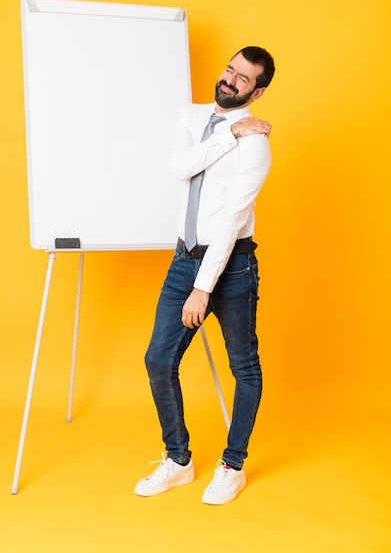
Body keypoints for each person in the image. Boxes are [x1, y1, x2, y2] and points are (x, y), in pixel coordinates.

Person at [134, 46, 275, 505]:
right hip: (183, 260)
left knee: (244, 367)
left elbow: (233, 222)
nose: (231, 80)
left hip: (232, 265)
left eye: (243, 78)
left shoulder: (259, 146)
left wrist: (202, 288)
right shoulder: (193, 117)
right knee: (158, 360)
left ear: (258, 90)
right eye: (230, 70)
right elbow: (180, 167)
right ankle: (178, 460)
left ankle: (232, 465)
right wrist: (229, 132)